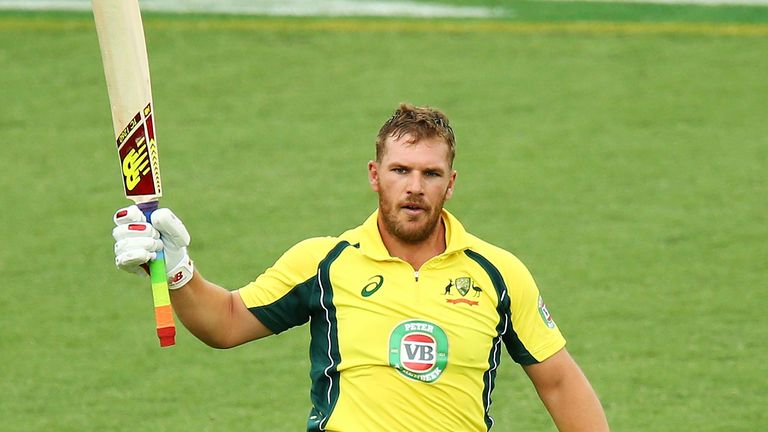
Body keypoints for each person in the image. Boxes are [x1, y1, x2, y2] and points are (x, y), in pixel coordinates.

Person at [112, 103, 609, 431]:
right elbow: (223, 322)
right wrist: (177, 265)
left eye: (430, 174)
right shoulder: (324, 261)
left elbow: (561, 383)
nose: (414, 187)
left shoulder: (498, 274)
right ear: (376, 175)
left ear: (450, 183)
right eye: (401, 171)